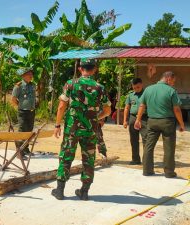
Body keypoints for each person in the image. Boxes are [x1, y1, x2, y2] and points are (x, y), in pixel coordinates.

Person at [51, 58, 111, 201]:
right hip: (90, 130)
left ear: (80, 69)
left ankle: (59, 191)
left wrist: (57, 125)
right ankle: (84, 192)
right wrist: (97, 116)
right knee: (89, 159)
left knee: (66, 156)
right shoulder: (99, 87)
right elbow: (108, 110)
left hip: (72, 129)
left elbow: (61, 107)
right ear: (94, 69)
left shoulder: (71, 84)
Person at [135, 71, 185, 178]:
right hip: (167, 122)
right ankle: (169, 172)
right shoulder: (171, 91)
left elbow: (142, 106)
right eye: (173, 81)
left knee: (149, 146)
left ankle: (147, 170)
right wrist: (181, 124)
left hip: (152, 121)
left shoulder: (148, 89)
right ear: (168, 79)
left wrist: (138, 119)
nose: (173, 84)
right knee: (169, 148)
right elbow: (176, 109)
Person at [11, 69, 36, 159]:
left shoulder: (33, 85)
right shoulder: (18, 86)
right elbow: (13, 99)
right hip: (22, 111)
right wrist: (20, 105)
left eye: (31, 74)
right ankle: (20, 152)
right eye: (29, 74)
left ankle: (26, 149)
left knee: (29, 131)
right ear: (23, 75)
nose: (31, 75)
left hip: (32, 111)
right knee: (22, 131)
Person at [123, 78, 147, 165]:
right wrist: (125, 120)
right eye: (134, 88)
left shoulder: (146, 94)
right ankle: (135, 159)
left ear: (141, 84)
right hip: (132, 118)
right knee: (133, 140)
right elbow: (127, 107)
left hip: (145, 119)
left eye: (138, 87)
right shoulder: (130, 95)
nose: (136, 89)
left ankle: (146, 160)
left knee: (146, 139)